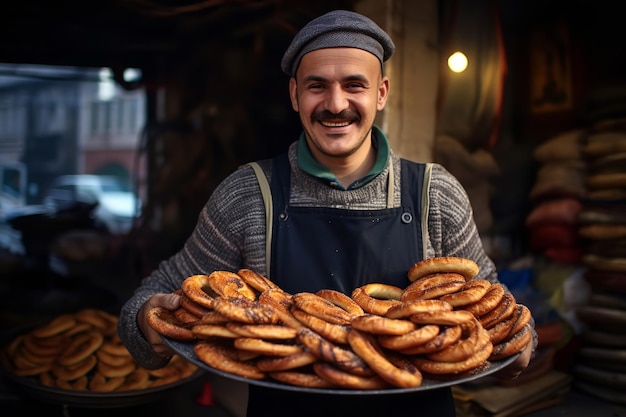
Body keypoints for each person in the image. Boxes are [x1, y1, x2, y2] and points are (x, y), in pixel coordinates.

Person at [118, 9, 536, 417]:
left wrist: (522, 342)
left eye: (354, 85)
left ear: (381, 93)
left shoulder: (434, 194)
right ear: (294, 94)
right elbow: (156, 295)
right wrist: (145, 320)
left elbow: (495, 306)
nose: (336, 104)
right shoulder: (248, 194)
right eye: (317, 86)